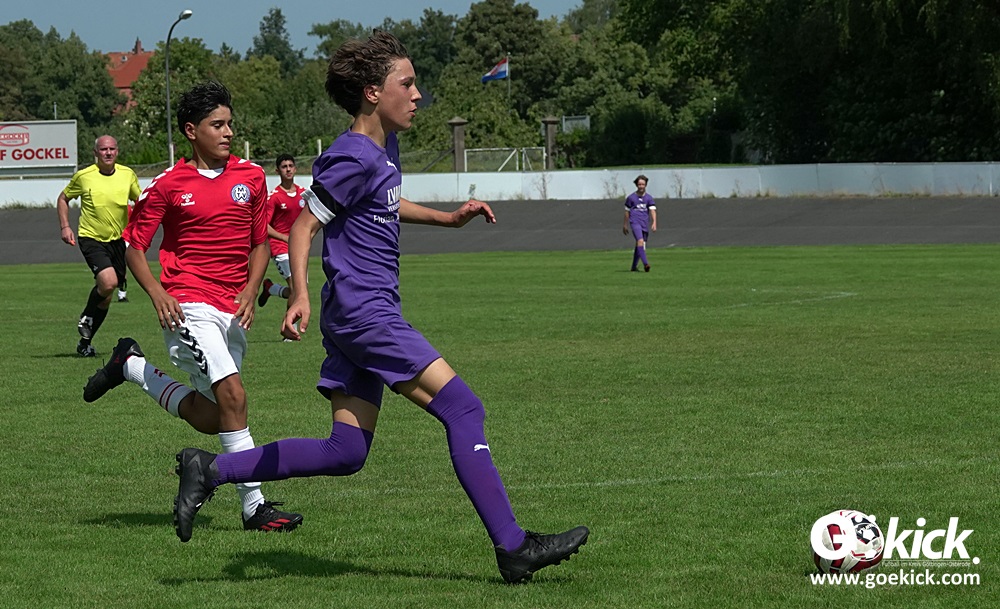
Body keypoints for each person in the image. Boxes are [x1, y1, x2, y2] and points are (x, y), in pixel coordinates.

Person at [173, 32, 588, 584]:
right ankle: (513, 547)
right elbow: (303, 226)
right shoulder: (351, 155)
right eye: (407, 84)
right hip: (365, 313)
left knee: (346, 450)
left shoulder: (381, 150)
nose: (417, 95)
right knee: (464, 409)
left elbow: (385, 201)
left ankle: (211, 468)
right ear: (373, 92)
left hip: (358, 314)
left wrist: (447, 218)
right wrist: (299, 293)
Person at [82, 81, 302, 534]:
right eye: (216, 125)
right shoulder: (168, 184)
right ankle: (254, 507)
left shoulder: (251, 177)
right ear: (191, 130)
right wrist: (158, 293)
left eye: (229, 124)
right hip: (188, 304)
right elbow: (134, 247)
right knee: (234, 396)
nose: (228, 132)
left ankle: (131, 366)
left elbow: (260, 242)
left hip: (232, 308)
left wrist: (252, 288)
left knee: (215, 415)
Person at [57, 135, 141, 356]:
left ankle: (85, 343)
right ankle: (86, 315)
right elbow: (63, 199)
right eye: (103, 149)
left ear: (117, 151)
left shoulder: (127, 175)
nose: (108, 153)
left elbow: (140, 202)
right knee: (109, 282)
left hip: (117, 241)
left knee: (107, 296)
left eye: (112, 148)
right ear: (95, 153)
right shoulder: (84, 176)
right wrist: (65, 226)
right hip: (91, 238)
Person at [257, 153, 306, 315]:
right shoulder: (274, 197)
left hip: (298, 246)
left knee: (299, 290)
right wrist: (284, 237)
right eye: (284, 167)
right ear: (277, 171)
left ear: (295, 169)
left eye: (291, 166)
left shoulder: (304, 194)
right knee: (295, 287)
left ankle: (271, 289)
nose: (288, 170)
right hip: (280, 246)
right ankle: (290, 327)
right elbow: (264, 225)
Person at [622, 174, 657, 272]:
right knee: (640, 241)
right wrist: (625, 224)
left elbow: (653, 211)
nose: (641, 186)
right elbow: (627, 212)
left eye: (643, 184)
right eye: (639, 184)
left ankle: (633, 267)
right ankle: (646, 264)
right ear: (636, 185)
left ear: (646, 185)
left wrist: (654, 222)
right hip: (635, 222)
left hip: (644, 223)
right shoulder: (631, 198)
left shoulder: (649, 198)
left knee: (640, 244)